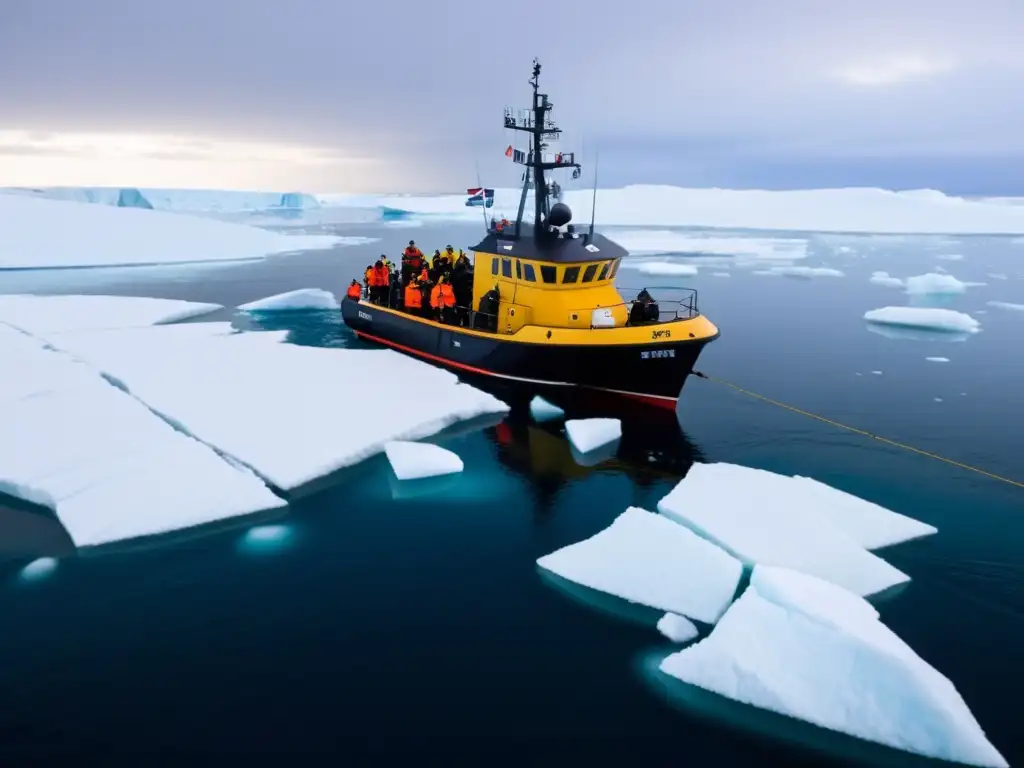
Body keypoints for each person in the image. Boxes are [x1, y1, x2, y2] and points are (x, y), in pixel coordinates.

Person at [452, 257, 473, 326]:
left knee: (458, 312)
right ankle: (466, 325)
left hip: (456, 295)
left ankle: (457, 324)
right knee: (465, 312)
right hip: (464, 295)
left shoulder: (454, 273)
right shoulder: (466, 274)